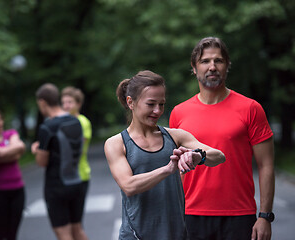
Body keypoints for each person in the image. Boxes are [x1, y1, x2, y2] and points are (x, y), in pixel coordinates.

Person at [169, 37, 275, 240]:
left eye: (218, 61)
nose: (212, 67)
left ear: (227, 66)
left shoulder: (251, 109)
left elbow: (266, 165)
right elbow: (177, 168)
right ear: (194, 68)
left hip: (239, 216)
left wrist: (265, 216)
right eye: (205, 61)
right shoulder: (179, 113)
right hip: (191, 215)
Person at [104, 70, 225, 239]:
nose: (157, 111)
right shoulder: (116, 143)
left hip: (175, 234)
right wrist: (168, 169)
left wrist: (199, 156)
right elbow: (129, 186)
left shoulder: (175, 136)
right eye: (151, 104)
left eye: (161, 104)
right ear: (131, 102)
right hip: (135, 236)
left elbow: (219, 156)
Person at [31, 83, 89, 240]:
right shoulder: (75, 121)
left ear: (42, 102)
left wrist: (36, 150)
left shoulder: (47, 127)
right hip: (76, 181)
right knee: (77, 229)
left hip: (57, 186)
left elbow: (42, 162)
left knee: (63, 233)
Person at [0, 106, 26, 240]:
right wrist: (11, 153)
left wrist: (1, 155)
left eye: (0, 120)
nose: (0, 124)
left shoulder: (10, 133)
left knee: (12, 234)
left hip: (17, 190)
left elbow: (20, 147)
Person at [61, 86, 92, 193]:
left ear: (78, 104)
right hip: (63, 176)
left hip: (80, 174)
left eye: (70, 102)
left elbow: (79, 149)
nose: (66, 106)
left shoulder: (82, 122)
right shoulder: (61, 122)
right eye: (63, 102)